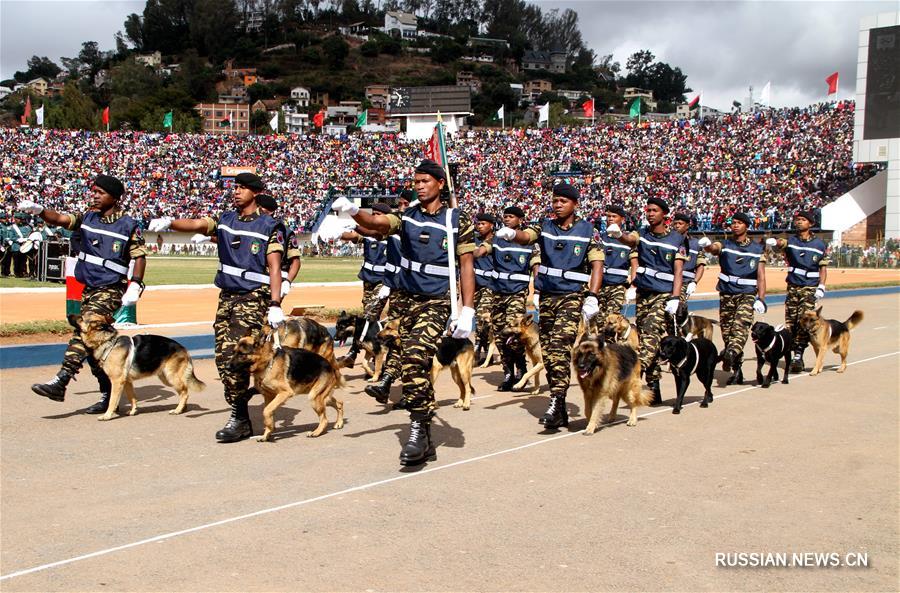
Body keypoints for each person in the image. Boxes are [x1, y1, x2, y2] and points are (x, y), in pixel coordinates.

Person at [332, 159, 476, 465]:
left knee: (413, 359)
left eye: (425, 181)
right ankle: (424, 429)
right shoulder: (407, 217)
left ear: (440, 183)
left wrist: (467, 310)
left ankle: (415, 428)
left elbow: (466, 265)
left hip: (437, 301)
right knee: (414, 366)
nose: (419, 185)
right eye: (416, 181)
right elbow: (380, 224)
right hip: (407, 299)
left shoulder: (456, 220)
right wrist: (355, 212)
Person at [148, 172, 285, 443]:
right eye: (235, 187)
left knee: (235, 359)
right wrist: (169, 222)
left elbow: (275, 266)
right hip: (227, 297)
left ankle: (238, 417)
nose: (236, 191)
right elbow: (197, 224)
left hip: (252, 297)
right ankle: (242, 410)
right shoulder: (225, 219)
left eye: (243, 188)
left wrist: (275, 303)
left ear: (255, 193)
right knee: (224, 361)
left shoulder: (270, 225)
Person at [22, 175, 148, 412]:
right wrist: (39, 211)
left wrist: (136, 284)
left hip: (110, 289)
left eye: (101, 192)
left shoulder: (128, 224)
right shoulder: (87, 217)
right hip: (89, 288)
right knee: (93, 347)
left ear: (115, 197)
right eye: (94, 192)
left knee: (85, 328)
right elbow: (59, 218)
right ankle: (106, 394)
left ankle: (62, 380)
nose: (95, 196)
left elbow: (139, 256)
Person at [494, 182, 603, 429]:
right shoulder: (545, 225)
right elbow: (526, 236)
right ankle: (560, 403)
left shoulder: (588, 230)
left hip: (572, 296)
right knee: (551, 355)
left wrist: (593, 295)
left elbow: (597, 264)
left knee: (557, 348)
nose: (557, 205)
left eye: (563, 201)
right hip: (548, 296)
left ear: (575, 204)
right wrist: (513, 234)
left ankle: (555, 401)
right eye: (554, 200)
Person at [608, 197, 685, 404]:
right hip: (644, 293)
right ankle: (654, 386)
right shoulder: (642, 234)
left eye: (655, 210)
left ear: (664, 214)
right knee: (644, 339)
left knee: (650, 335)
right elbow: (630, 239)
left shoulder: (677, 239)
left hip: (663, 295)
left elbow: (678, 271)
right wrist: (619, 235)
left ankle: (630, 376)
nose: (650, 213)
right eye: (648, 210)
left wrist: (676, 297)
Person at [700, 212, 767, 384]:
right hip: (727, 293)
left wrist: (761, 298)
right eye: (733, 223)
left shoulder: (757, 249)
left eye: (739, 223)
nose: (735, 225)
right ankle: (737, 370)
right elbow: (714, 248)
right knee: (728, 333)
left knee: (741, 326)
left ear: (747, 226)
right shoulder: (725, 244)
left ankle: (730, 353)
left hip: (746, 293)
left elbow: (761, 276)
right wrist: (707, 246)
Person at [364, 195, 413, 407]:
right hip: (398, 291)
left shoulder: (423, 227)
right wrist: (354, 216)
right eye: (399, 204)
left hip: (421, 293)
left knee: (414, 346)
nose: (400, 207)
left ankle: (412, 392)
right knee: (395, 339)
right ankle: (386, 382)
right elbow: (372, 231)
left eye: (405, 204)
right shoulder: (394, 226)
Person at [765, 210, 829, 372]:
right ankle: (792, 350)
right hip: (793, 286)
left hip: (810, 287)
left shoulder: (820, 245)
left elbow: (823, 268)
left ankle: (798, 355)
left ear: (811, 224)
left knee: (804, 321)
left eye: (803, 220)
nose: (799, 222)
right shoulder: (791, 241)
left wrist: (821, 286)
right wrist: (775, 243)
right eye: (797, 219)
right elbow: (782, 244)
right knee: (791, 321)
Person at [481, 205, 533, 391]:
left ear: (520, 220)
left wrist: (536, 292)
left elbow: (536, 264)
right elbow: (481, 251)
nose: (507, 219)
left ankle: (521, 370)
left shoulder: (528, 242)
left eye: (511, 217)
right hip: (498, 294)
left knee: (515, 335)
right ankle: (508, 372)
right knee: (500, 335)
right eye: (505, 217)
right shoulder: (496, 239)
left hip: (517, 294)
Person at [337, 202, 391, 366]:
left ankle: (355, 353)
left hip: (382, 281)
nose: (373, 216)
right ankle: (373, 355)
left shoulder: (389, 234)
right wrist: (338, 233)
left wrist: (389, 283)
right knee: (369, 317)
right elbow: (353, 236)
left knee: (369, 316)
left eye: (377, 214)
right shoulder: (367, 233)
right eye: (372, 213)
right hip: (368, 279)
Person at [596, 204, 635, 321]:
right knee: (598, 321)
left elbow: (634, 264)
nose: (610, 219)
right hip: (600, 285)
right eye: (608, 216)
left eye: (614, 216)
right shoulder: (600, 238)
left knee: (611, 319)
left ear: (622, 220)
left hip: (618, 286)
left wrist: (632, 286)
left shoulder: (628, 240)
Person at [472, 213, 496, 367]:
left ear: (491, 225)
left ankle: (480, 349)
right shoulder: (474, 240)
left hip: (490, 285)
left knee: (482, 317)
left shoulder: (496, 241)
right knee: (477, 320)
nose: (479, 226)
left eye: (483, 224)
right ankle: (487, 352)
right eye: (478, 224)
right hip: (476, 285)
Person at [672, 211, 706, 302]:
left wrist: (694, 282)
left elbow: (700, 265)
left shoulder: (696, 244)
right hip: (668, 280)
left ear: (687, 226)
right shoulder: (668, 241)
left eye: (680, 223)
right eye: (675, 223)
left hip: (685, 282)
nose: (677, 226)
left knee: (678, 306)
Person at [8, 212, 33, 278]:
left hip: (24, 247)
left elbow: (30, 235)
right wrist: (18, 240)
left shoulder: (28, 227)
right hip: (16, 246)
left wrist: (26, 239)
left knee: (23, 261)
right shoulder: (12, 227)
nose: (19, 220)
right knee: (16, 261)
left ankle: (23, 272)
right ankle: (17, 273)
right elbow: (11, 237)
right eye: (18, 219)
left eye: (20, 219)